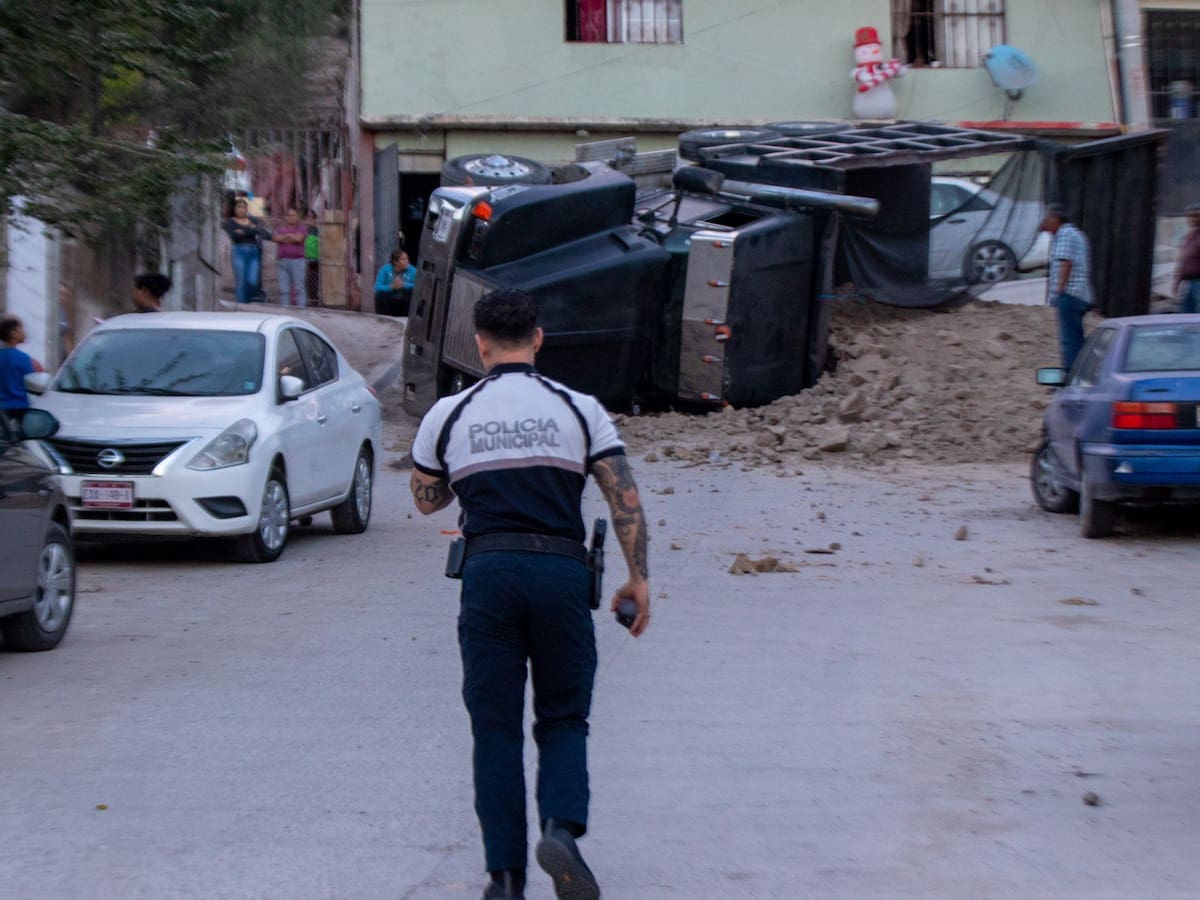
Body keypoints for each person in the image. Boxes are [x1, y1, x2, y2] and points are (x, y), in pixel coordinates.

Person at [409, 288, 650, 900]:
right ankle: (560, 830)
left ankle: (506, 880)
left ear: (480, 344)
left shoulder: (449, 414)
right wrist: (637, 577)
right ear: (538, 339)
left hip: (489, 573)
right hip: (562, 573)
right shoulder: (580, 409)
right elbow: (623, 495)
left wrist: (470, 473)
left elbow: (426, 498)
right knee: (564, 715)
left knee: (495, 727)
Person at [1041, 203, 1094, 370]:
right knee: (1077, 338)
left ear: (1055, 218)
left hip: (1070, 295)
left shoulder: (1064, 234)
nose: (1045, 223)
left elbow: (1066, 262)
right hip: (1080, 294)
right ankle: (1084, 370)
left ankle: (1072, 375)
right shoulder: (1077, 234)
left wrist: (1059, 290)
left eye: (1047, 219)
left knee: (1069, 341)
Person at [222, 197, 271, 303]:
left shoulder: (253, 220)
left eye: (243, 207)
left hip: (254, 253)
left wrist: (243, 231)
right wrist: (251, 230)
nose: (241, 209)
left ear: (246, 209)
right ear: (234, 208)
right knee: (240, 281)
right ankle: (242, 306)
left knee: (252, 281)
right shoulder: (230, 222)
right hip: (239, 252)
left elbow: (263, 233)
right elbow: (234, 235)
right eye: (239, 207)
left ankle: (248, 300)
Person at [0, 315, 46, 424]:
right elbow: (32, 386)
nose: (24, 333)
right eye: (21, 329)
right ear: (13, 333)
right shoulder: (24, 359)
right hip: (20, 411)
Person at [272, 206, 309, 307]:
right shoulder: (279, 228)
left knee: (299, 289)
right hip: (282, 262)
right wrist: (291, 236)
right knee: (283, 290)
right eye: (288, 215)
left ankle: (301, 311)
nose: (290, 217)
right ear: (285, 217)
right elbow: (275, 238)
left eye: (293, 215)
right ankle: (285, 311)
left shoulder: (302, 227)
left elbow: (298, 239)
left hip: (297, 262)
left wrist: (283, 237)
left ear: (297, 217)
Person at [1171, 204, 1200, 315]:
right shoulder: (1187, 238)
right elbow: (1182, 261)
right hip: (1186, 283)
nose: (1193, 219)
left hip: (1198, 282)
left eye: (1197, 216)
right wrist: (1176, 283)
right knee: (1185, 316)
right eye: (1191, 216)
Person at [373, 249, 417, 316]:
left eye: (407, 259)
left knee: (410, 292)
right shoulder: (385, 269)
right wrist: (391, 287)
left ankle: (407, 318)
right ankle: (383, 317)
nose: (407, 261)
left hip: (404, 303)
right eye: (403, 259)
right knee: (380, 294)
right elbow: (377, 287)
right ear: (395, 262)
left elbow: (418, 286)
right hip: (390, 301)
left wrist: (404, 285)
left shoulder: (413, 270)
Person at [304, 211, 321, 306]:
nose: (309, 220)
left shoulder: (316, 230)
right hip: (305, 259)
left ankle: (314, 300)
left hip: (315, 259)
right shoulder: (303, 230)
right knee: (307, 281)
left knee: (313, 281)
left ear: (315, 220)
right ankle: (311, 299)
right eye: (307, 217)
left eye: (311, 218)